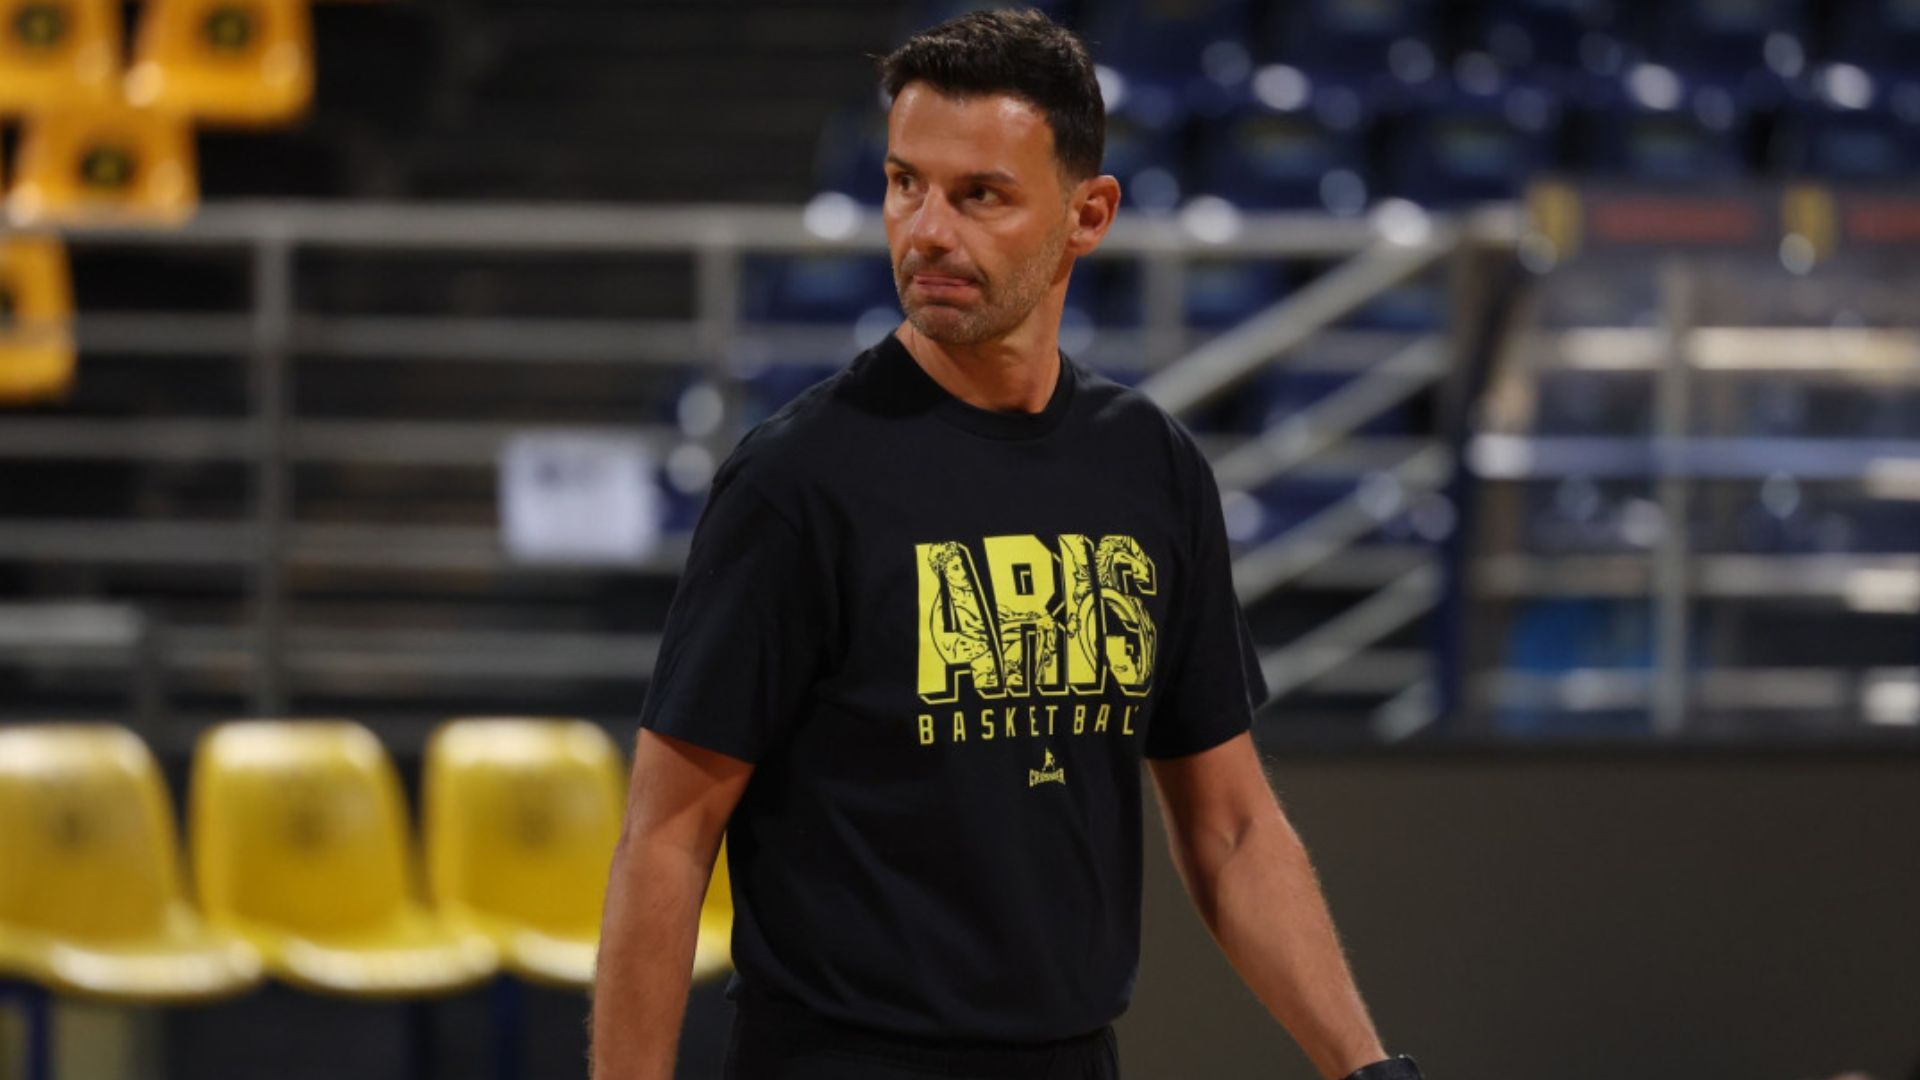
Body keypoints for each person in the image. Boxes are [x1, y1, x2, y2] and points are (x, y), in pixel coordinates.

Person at [590, 9, 1421, 1080]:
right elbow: (665, 841)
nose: (927, 230)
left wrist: (1366, 1068)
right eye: (905, 184)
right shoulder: (795, 482)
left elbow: (1233, 831)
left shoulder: (1151, 468)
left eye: (980, 194)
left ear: (1089, 215)